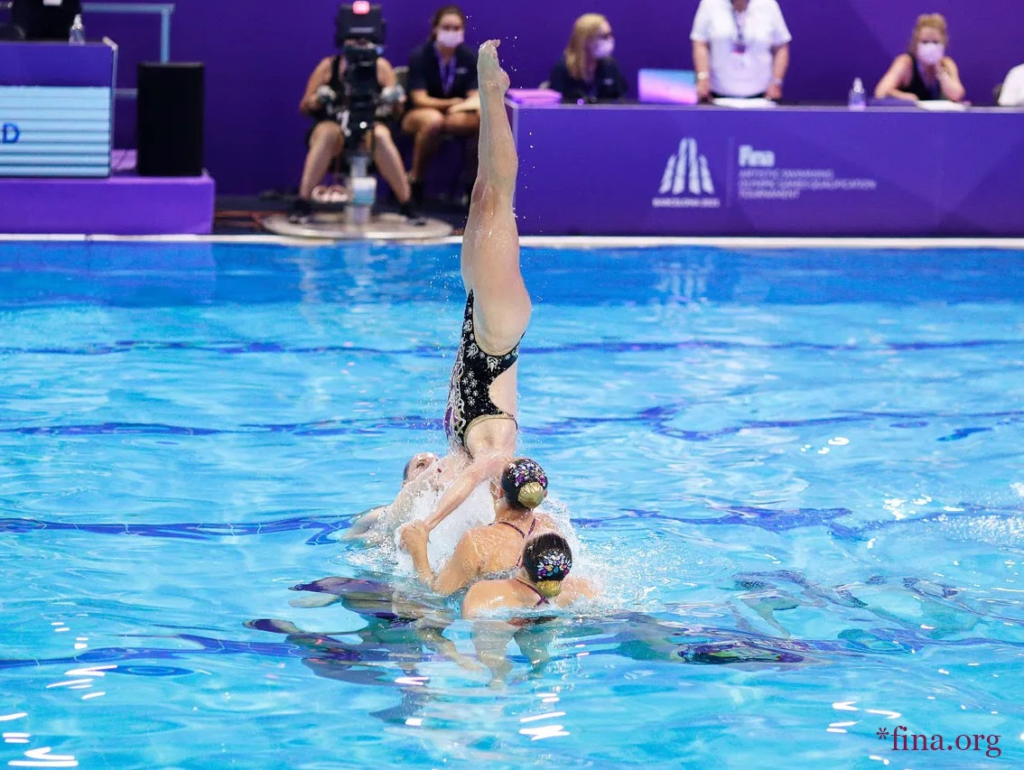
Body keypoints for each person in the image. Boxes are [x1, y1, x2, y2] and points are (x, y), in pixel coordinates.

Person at [293, 40, 419, 222]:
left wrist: (394, 99)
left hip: (369, 127)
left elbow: (398, 112)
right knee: (328, 133)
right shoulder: (329, 66)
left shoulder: (381, 67)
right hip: (334, 128)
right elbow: (305, 107)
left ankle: (407, 204)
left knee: (380, 135)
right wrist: (318, 98)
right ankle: (302, 202)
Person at [400, 458, 559, 595]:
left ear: (499, 491)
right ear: (543, 495)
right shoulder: (551, 528)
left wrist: (418, 550)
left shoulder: (477, 541)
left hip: (493, 623)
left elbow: (437, 594)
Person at [402, 5, 481, 204]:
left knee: (480, 122)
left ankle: (472, 186)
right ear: (435, 28)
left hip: (456, 113)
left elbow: (475, 97)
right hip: (420, 113)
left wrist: (458, 107)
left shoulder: (469, 57)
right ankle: (416, 182)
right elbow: (419, 98)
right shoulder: (420, 55)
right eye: (446, 27)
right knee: (433, 121)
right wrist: (450, 104)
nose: (452, 33)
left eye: (457, 28)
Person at [462, 533, 595, 619]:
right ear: (566, 570)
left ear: (521, 562)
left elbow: (469, 621)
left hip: (502, 624)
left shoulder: (483, 591)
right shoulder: (582, 588)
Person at [690, 0, 791, 102]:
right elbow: (700, 42)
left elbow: (781, 46)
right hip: (718, 96)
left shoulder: (768, 4)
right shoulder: (710, 4)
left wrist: (776, 82)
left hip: (761, 98)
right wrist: (703, 77)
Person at [874, 14, 966, 103]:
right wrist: (905, 97)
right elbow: (881, 92)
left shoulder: (947, 64)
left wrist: (939, 70)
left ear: (944, 43)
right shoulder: (905, 63)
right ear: (915, 43)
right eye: (925, 42)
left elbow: (956, 95)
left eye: (935, 42)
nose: (930, 47)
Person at [549, 13, 628, 104]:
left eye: (610, 35)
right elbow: (556, 106)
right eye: (604, 36)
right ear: (586, 40)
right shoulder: (563, 68)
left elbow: (620, 102)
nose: (610, 40)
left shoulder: (610, 65)